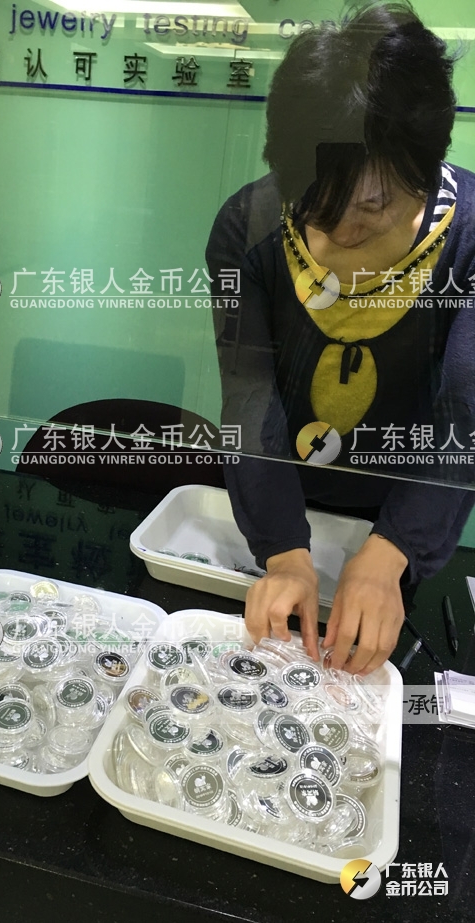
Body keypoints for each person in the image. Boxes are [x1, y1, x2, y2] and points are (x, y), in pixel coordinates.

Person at [206, 1, 475, 675]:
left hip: (408, 512)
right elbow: (249, 391)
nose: (342, 231)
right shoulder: (248, 226)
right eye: (315, 205)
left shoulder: (468, 239)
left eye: (373, 206)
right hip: (279, 499)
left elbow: (466, 416)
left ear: (423, 165)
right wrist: (283, 551)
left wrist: (389, 553)